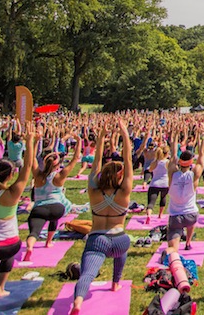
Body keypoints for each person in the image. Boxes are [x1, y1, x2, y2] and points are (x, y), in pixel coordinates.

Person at [70, 120, 134, 314]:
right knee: (121, 251)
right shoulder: (124, 191)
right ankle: (116, 283)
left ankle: (78, 303)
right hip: (120, 239)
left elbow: (96, 161)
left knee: (87, 274)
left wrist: (100, 139)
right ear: (120, 176)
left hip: (98, 238)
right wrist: (124, 134)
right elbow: (129, 159)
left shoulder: (93, 190)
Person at [25, 135, 80, 257]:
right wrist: (79, 141)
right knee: (54, 219)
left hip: (39, 209)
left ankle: (30, 246)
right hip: (57, 208)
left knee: (34, 232)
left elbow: (32, 158)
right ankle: (48, 242)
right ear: (57, 165)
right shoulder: (59, 176)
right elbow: (75, 158)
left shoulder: (38, 176)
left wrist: (35, 141)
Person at [0, 122, 34, 298]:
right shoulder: (12, 193)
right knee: (8, 254)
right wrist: (31, 141)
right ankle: (0, 289)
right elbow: (27, 168)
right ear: (10, 175)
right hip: (10, 245)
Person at [166, 130, 204, 251]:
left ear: (180, 162)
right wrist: (202, 136)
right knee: (191, 222)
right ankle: (188, 242)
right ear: (190, 163)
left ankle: (172, 251)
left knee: (173, 248)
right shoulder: (194, 175)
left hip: (175, 215)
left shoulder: (172, 173)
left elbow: (173, 155)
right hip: (191, 214)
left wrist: (175, 135)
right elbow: (202, 154)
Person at [144, 146, 170, 224]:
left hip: (154, 183)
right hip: (165, 184)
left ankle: (149, 215)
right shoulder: (167, 162)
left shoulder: (154, 162)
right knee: (163, 198)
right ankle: (160, 214)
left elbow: (150, 170)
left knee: (151, 202)